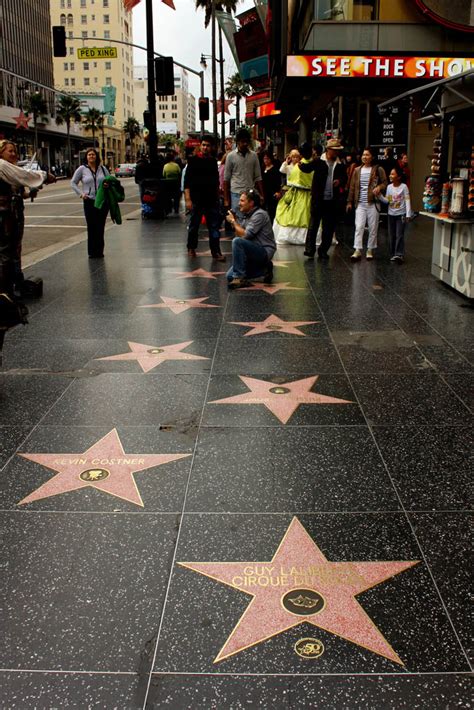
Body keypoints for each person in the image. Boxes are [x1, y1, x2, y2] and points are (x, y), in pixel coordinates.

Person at [0, 145, 52, 358]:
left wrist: (29, 190)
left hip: (11, 219)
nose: (13, 154)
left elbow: (23, 187)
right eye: (9, 150)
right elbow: (27, 175)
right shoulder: (2, 166)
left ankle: (9, 289)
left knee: (10, 253)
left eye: (14, 150)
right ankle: (4, 292)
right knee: (4, 255)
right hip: (3, 220)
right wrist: (44, 176)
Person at [300, 138, 346, 259]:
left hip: (331, 200)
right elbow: (307, 168)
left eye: (338, 150)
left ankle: (323, 250)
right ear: (329, 149)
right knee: (313, 224)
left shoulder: (340, 164)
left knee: (328, 227)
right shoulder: (319, 161)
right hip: (318, 198)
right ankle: (309, 249)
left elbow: (344, 177)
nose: (336, 152)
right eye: (334, 150)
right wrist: (300, 163)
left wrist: (339, 181)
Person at [225, 189, 276, 289]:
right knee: (230, 276)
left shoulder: (260, 215)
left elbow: (244, 236)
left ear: (251, 203)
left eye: (242, 201)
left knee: (237, 242)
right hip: (252, 251)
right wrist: (234, 223)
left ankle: (239, 278)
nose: (239, 203)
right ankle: (264, 269)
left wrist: (233, 221)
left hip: (263, 251)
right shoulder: (247, 215)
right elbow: (239, 235)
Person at [184, 136, 224, 261]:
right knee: (194, 226)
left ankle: (216, 251)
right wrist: (188, 199)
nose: (205, 147)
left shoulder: (213, 161)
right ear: (200, 146)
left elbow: (216, 181)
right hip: (196, 200)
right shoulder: (193, 160)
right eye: (203, 145)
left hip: (211, 200)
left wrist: (218, 196)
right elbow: (187, 181)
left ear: (211, 147)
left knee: (214, 227)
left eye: (208, 145)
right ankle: (191, 247)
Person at [346, 147, 387, 261]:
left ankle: (370, 249)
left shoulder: (378, 169)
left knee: (373, 227)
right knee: (359, 226)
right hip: (360, 203)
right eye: (363, 155)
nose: (365, 157)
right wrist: (349, 201)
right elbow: (352, 186)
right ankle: (357, 249)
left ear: (372, 157)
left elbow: (385, 182)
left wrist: (379, 187)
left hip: (373, 203)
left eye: (367, 155)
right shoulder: (357, 170)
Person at [71, 148, 110, 258]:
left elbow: (109, 180)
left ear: (96, 156)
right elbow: (73, 183)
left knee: (100, 226)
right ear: (86, 157)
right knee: (92, 226)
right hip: (89, 201)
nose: (91, 156)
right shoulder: (82, 169)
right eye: (89, 155)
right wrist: (81, 194)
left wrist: (107, 184)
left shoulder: (102, 169)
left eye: (93, 155)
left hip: (102, 201)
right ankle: (92, 252)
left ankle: (99, 251)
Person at [273, 143, 313, 245]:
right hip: (308, 195)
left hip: (298, 194)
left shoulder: (299, 166)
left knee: (295, 214)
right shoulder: (312, 164)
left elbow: (293, 180)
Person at [223, 128, 263, 218]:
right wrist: (226, 199)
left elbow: (258, 177)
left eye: (247, 142)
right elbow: (226, 179)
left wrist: (261, 195)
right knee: (238, 221)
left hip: (250, 195)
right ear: (237, 142)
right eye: (242, 141)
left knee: (251, 222)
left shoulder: (254, 156)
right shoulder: (230, 157)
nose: (245, 144)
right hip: (236, 195)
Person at [378, 165, 414, 263]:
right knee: (391, 235)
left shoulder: (404, 187)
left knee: (399, 234)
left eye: (393, 174)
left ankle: (399, 254)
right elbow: (388, 201)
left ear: (398, 177)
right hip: (391, 215)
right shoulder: (389, 187)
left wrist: (408, 214)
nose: (390, 175)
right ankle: (392, 253)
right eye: (390, 174)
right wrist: (380, 196)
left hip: (401, 215)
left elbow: (407, 200)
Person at [261, 150, 282, 223]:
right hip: (263, 192)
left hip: (272, 193)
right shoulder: (262, 168)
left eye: (267, 158)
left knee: (271, 212)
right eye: (264, 159)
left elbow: (278, 182)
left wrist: (278, 192)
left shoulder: (275, 169)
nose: (266, 160)